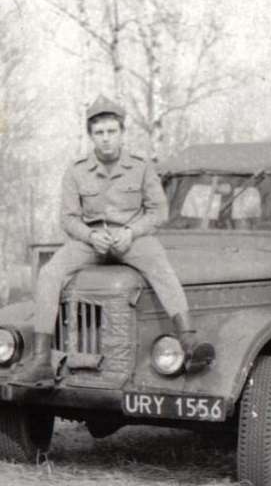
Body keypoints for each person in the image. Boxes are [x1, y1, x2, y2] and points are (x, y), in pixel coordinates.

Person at [14, 94, 215, 388]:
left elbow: (159, 211)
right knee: (49, 274)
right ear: (91, 136)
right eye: (99, 133)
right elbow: (68, 218)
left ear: (121, 133)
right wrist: (90, 235)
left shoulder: (141, 166)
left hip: (131, 238)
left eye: (111, 132)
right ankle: (42, 359)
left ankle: (187, 339)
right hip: (90, 241)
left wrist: (131, 233)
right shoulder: (76, 171)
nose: (106, 139)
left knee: (160, 265)